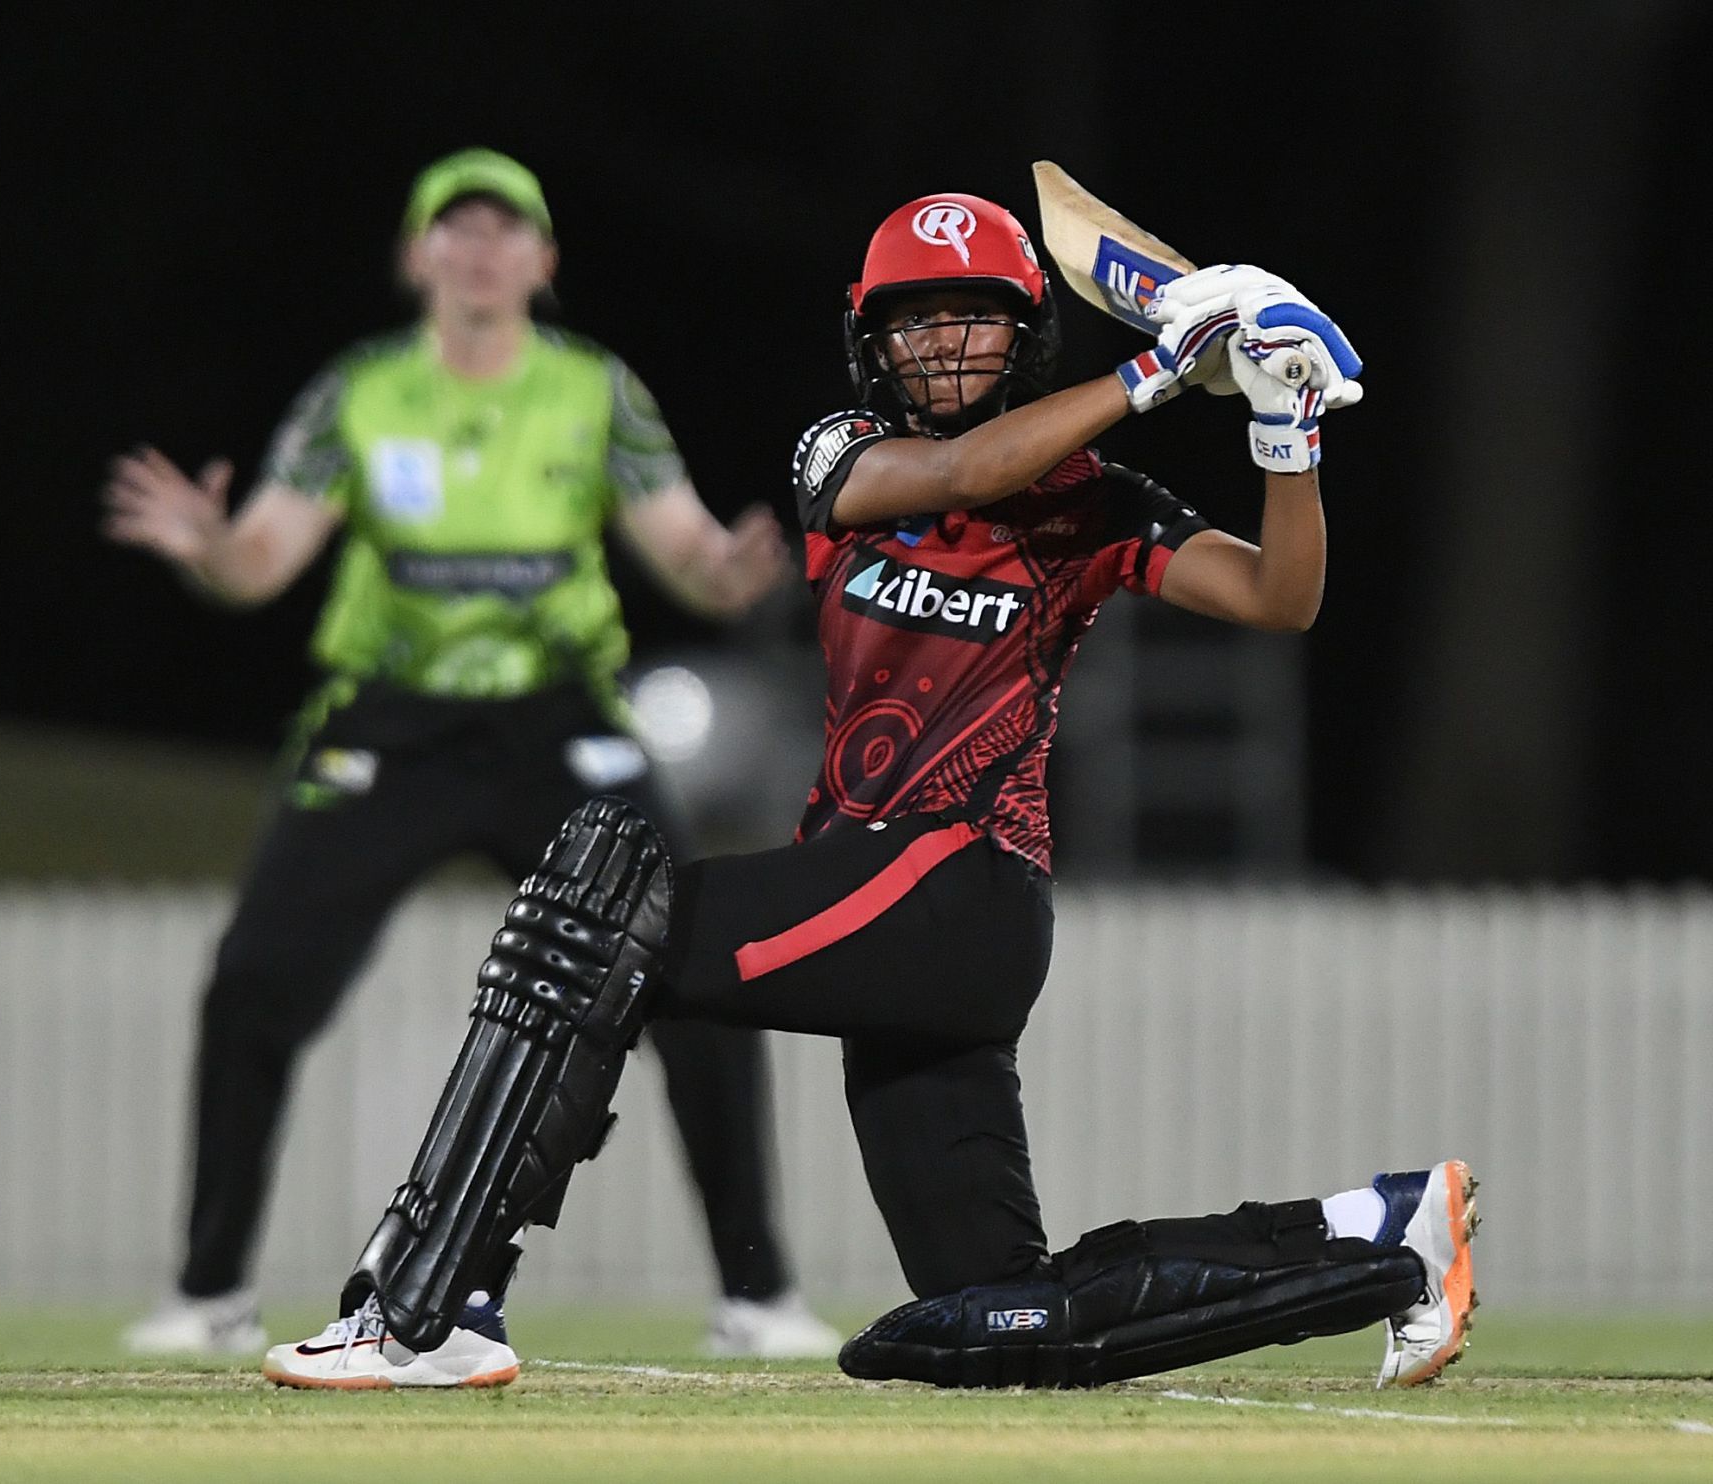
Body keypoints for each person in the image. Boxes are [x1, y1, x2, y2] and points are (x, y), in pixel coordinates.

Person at [259, 192, 1478, 1392]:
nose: (945, 344)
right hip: (889, 899)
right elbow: (962, 468)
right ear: (870, 340)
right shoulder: (843, 450)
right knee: (992, 1314)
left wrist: (1285, 431)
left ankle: (427, 1304)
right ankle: (1380, 1232)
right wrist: (1162, 364)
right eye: (916, 321)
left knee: (594, 918)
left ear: (1027, 332)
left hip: (962, 882)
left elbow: (1282, 597)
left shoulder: (1093, 503)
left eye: (975, 318)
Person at [102, 147, 841, 1362]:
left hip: (557, 720)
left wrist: (734, 572)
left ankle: (755, 1296)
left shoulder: (594, 390)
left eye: (508, 230)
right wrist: (206, 546)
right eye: (457, 228)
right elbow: (261, 563)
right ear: (417, 257)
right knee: (252, 982)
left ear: (544, 262)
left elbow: (691, 554)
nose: (482, 249)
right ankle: (210, 1291)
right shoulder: (361, 393)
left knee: (688, 970)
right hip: (390, 719)